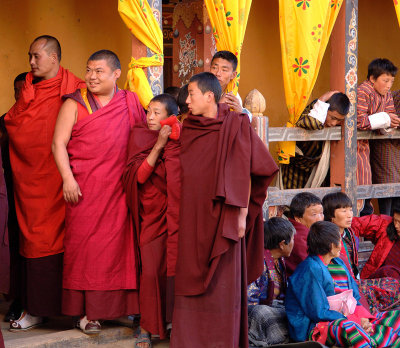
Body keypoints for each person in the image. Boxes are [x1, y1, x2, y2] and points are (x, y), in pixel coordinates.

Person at [170, 72, 278, 348]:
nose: (187, 100)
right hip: (193, 216)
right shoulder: (190, 127)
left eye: (191, 93)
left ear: (209, 95)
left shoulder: (235, 124)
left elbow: (252, 169)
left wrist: (241, 213)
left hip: (226, 216)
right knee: (190, 274)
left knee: (222, 284)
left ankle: (222, 340)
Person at [52, 50, 145, 334]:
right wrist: (67, 179)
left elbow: (143, 137)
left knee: (121, 250)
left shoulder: (129, 101)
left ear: (116, 74)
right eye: (89, 70)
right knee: (87, 251)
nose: (91, 76)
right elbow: (58, 144)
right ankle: (88, 313)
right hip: (84, 190)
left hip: (120, 190)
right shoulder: (75, 104)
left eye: (99, 71)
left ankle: (117, 309)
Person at [4, 35, 85, 331]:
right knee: (36, 240)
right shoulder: (27, 90)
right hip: (34, 182)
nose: (32, 62)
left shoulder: (75, 88)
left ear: (54, 58)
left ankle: (78, 310)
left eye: (37, 56)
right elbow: (16, 125)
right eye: (30, 56)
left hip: (66, 180)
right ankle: (36, 309)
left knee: (76, 241)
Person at [123, 93, 181, 348]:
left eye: (157, 113)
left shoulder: (181, 139)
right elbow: (139, 177)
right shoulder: (140, 135)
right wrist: (158, 145)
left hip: (177, 215)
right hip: (151, 215)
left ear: (170, 116)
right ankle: (146, 327)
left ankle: (173, 324)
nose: (150, 117)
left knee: (176, 271)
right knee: (149, 272)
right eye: (149, 112)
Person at [286, 220, 400, 347]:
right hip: (315, 326)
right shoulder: (310, 268)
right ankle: (373, 340)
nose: (341, 245)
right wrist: (354, 320)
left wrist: (363, 318)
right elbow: (318, 312)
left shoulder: (338, 263)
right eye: (339, 241)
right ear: (330, 245)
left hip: (344, 317)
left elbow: (354, 297)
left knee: (397, 317)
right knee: (349, 329)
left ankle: (372, 338)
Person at [323, 192, 400, 313]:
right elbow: (357, 224)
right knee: (389, 273)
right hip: (344, 286)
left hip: (365, 283)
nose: (396, 225)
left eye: (350, 210)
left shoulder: (349, 235)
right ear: (330, 216)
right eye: (395, 221)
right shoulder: (328, 240)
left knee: (392, 284)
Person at [279, 91, 350, 189]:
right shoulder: (312, 110)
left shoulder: (328, 121)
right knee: (290, 201)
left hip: (315, 172)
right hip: (295, 168)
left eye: (339, 120)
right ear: (324, 108)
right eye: (332, 118)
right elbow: (313, 123)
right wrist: (322, 98)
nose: (334, 123)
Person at [0, 72, 28, 323]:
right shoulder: (4, 121)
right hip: (7, 190)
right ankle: (14, 298)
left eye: (24, 89)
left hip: (33, 192)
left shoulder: (39, 118)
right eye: (15, 89)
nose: (19, 94)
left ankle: (25, 301)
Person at [357, 58, 400, 215]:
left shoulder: (386, 94)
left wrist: (391, 121)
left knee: (367, 185)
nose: (389, 85)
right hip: (354, 147)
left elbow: (390, 115)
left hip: (366, 146)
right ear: (372, 79)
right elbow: (359, 121)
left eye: (391, 81)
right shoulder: (363, 92)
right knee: (361, 188)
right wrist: (386, 119)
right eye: (385, 80)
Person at [247, 217, 295, 346]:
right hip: (256, 311)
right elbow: (249, 300)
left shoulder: (280, 260)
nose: (293, 243)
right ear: (282, 244)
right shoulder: (258, 262)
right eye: (292, 239)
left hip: (277, 306)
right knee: (263, 314)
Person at [285, 192, 324, 276]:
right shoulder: (298, 237)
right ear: (298, 218)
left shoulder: (311, 232)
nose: (320, 219)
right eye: (314, 214)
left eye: (321, 213)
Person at [210, 50, 252, 121]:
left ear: (233, 75)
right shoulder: (202, 89)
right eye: (214, 68)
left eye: (224, 70)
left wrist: (240, 112)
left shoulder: (233, 96)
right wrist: (220, 105)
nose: (218, 73)